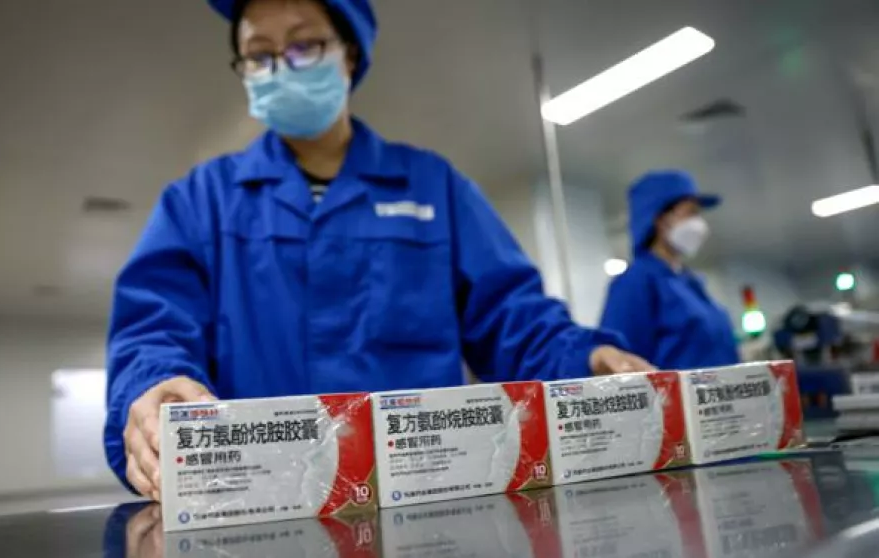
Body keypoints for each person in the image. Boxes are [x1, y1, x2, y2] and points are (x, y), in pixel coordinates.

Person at [104, 0, 651, 500]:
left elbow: (513, 317)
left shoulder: (434, 188)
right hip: (260, 505)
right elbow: (153, 329)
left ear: (349, 54)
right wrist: (152, 389)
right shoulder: (201, 202)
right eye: (258, 55)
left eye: (303, 45)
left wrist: (583, 358)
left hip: (429, 501)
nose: (280, 67)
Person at [600, 171, 740, 371]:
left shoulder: (690, 283)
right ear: (659, 219)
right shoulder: (635, 282)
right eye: (690, 213)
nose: (699, 223)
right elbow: (622, 364)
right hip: (676, 401)